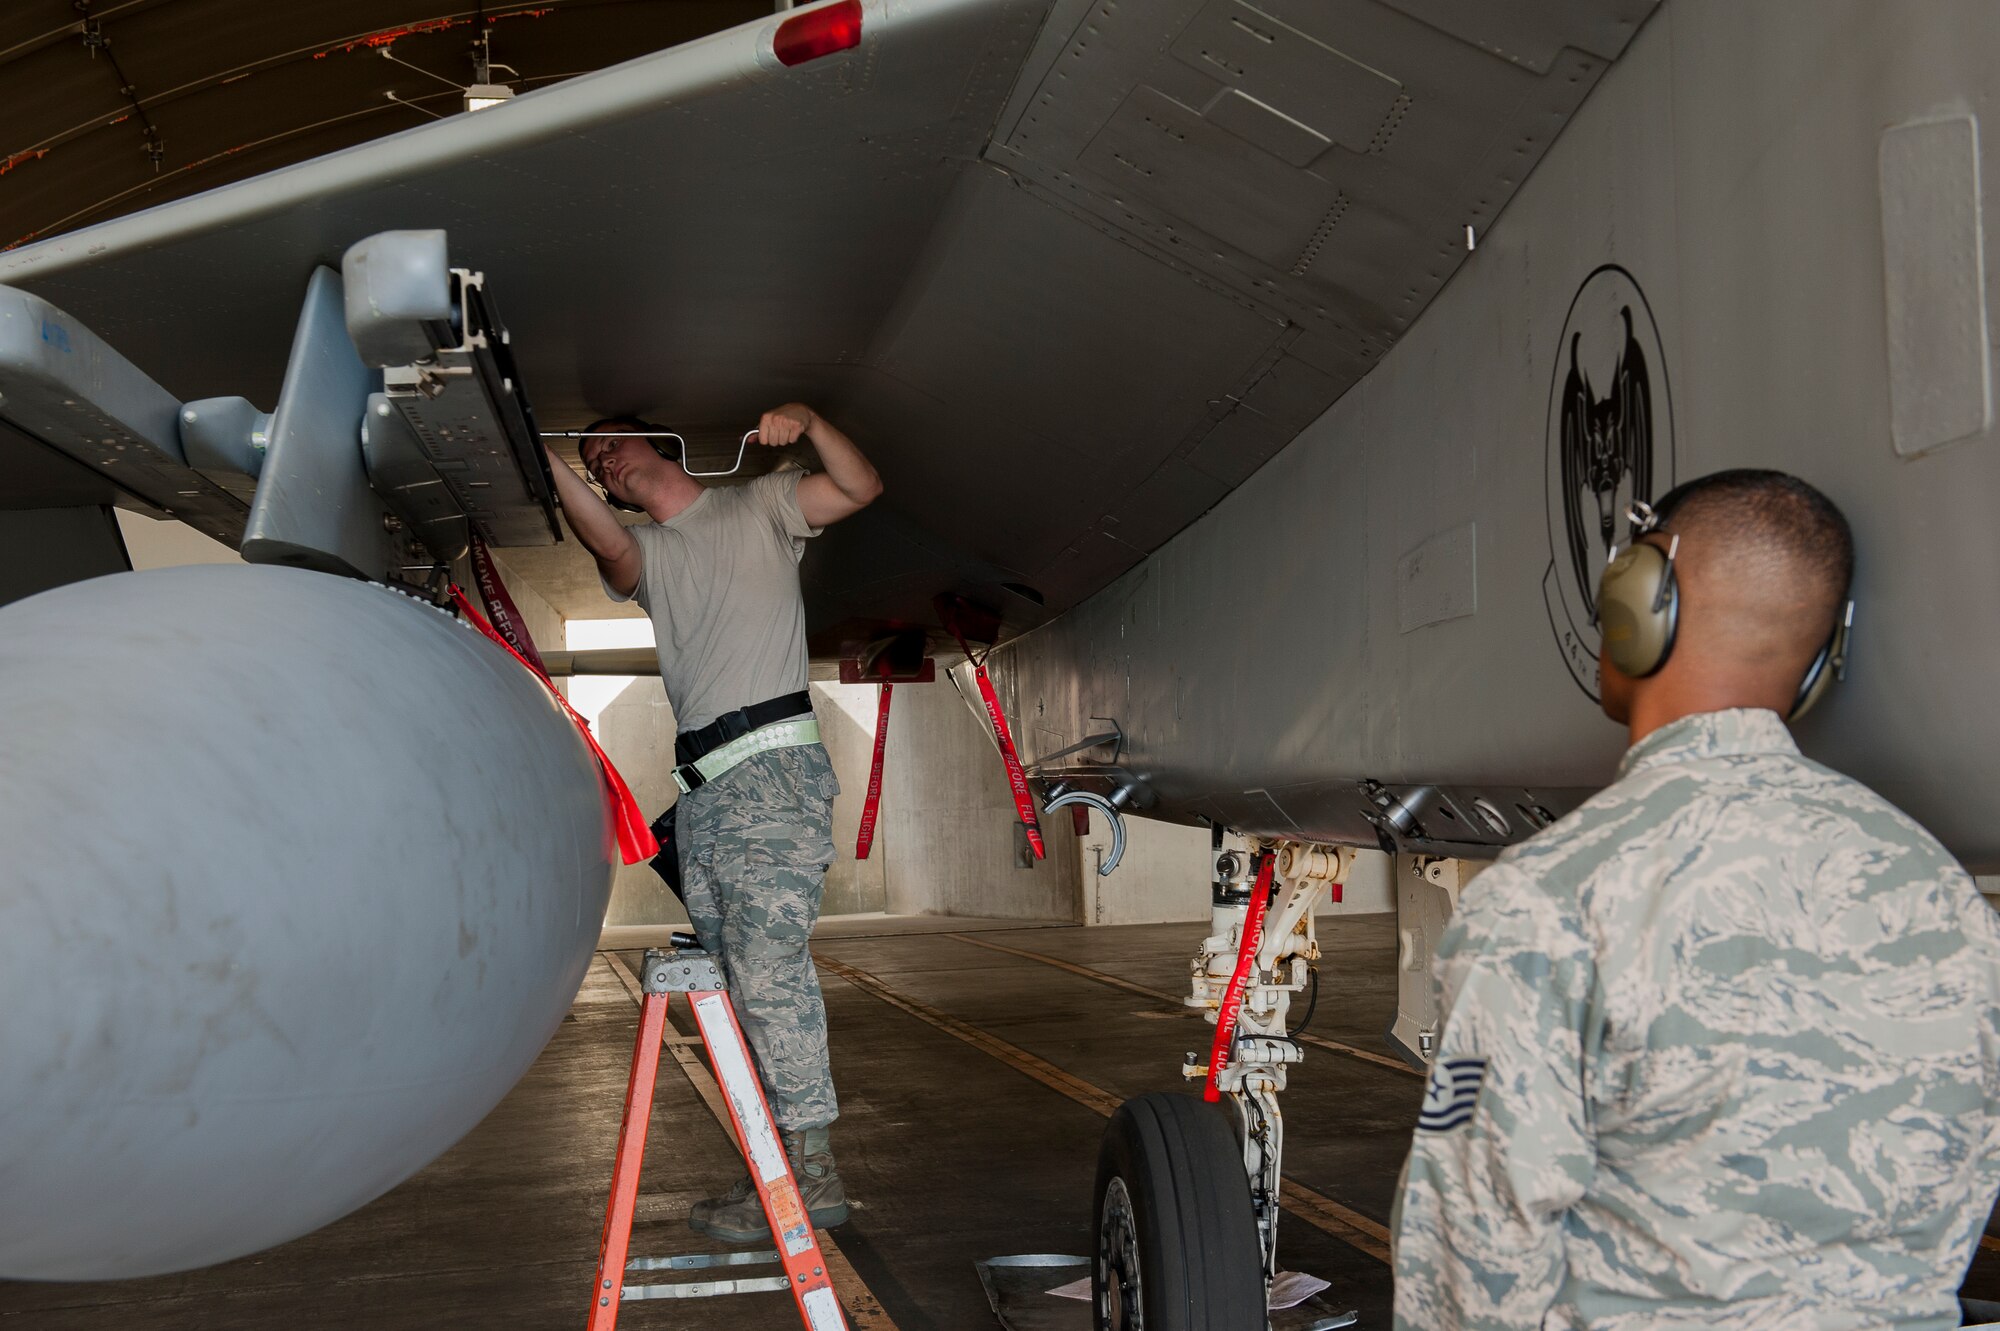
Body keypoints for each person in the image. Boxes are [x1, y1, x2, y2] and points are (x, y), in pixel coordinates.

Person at [1392, 470, 2000, 1329]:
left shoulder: (1552, 899)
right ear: (1823, 661)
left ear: (1637, 606)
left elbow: (1473, 1262)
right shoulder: (1943, 895)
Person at [545, 403, 882, 1244]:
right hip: (705, 795)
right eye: (592, 462)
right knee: (734, 990)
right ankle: (775, 1169)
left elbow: (860, 485)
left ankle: (809, 1176)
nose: (604, 464)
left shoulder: (760, 504)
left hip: (770, 770)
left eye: (610, 445)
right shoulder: (647, 557)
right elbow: (605, 540)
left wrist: (809, 419)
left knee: (769, 974)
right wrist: (545, 456)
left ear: (660, 440)